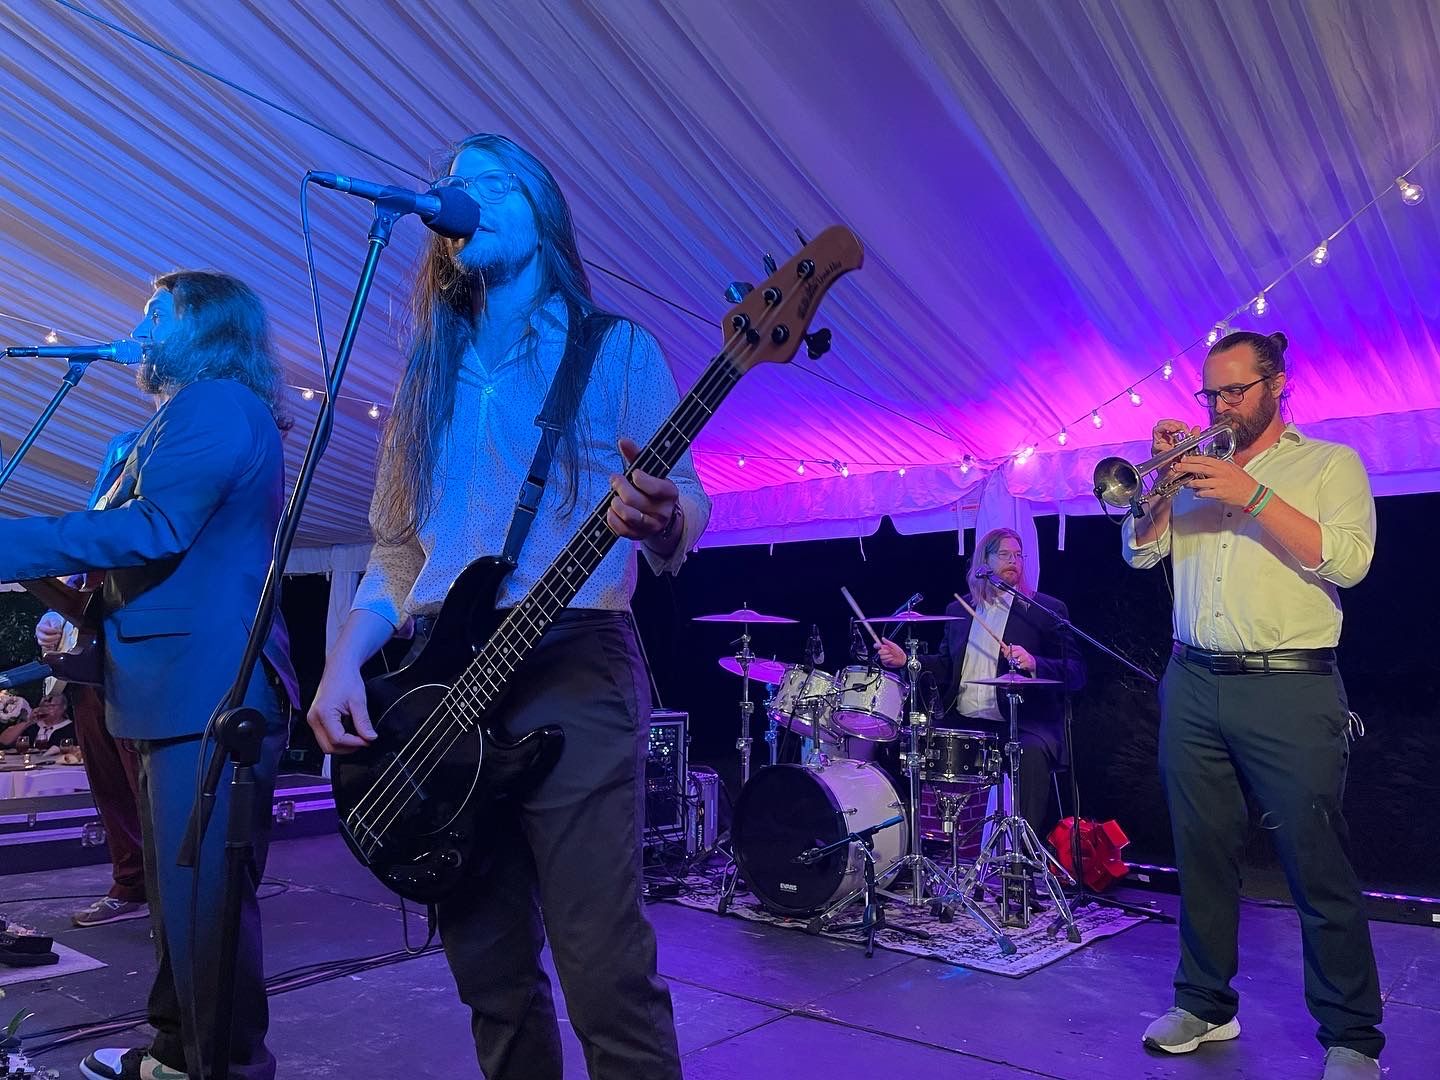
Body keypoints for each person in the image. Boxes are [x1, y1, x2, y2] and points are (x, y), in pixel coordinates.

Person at [307, 133, 710, 1080]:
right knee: (491, 978)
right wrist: (341, 662)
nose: (465, 196)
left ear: (543, 213)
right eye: (454, 186)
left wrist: (660, 517)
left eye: (493, 183)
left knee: (604, 971)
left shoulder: (616, 349)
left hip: (574, 654)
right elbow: (398, 550)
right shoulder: (425, 375)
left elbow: (686, 497)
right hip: (441, 678)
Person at [0, 270, 300, 1080]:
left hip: (209, 690)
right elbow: (140, 571)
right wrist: (47, 582)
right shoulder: (170, 423)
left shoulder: (215, 404)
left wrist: (10, 541)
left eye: (155, 316)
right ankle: (174, 1055)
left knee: (204, 904)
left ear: (206, 329)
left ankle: (221, 1068)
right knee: (181, 903)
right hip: (172, 690)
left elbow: (158, 528)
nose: (137, 332)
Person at [1125, 331, 1382, 1079]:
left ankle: (1352, 1036)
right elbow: (1139, 551)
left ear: (1277, 386)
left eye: (1235, 391)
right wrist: (1160, 486)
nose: (1220, 406)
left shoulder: (1329, 463)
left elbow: (1351, 561)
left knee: (1315, 858)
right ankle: (1204, 1003)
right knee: (1201, 850)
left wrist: (1254, 495)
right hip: (1193, 680)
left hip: (1289, 685)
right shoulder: (1193, 468)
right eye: (1211, 394)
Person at [877, 527, 1084, 839]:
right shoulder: (959, 611)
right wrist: (907, 660)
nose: (1014, 561)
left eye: (1018, 555)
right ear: (984, 562)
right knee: (911, 745)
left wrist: (1034, 663)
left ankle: (1023, 853)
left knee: (1030, 755)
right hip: (966, 720)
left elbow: (1076, 672)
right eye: (1005, 554)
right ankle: (926, 844)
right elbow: (947, 666)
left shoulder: (1044, 610)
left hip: (1022, 723)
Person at [34, 425, 152, 930]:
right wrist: (53, 618)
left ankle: (173, 897)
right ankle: (130, 885)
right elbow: (77, 586)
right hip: (90, 673)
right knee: (109, 787)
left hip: (139, 671)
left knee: (147, 789)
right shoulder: (100, 514)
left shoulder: (156, 517)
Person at [0, 690, 74, 750]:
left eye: (51, 706)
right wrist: (28, 721)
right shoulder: (32, 726)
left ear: (63, 707)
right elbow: (4, 741)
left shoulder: (72, 728)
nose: (46, 709)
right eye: (43, 706)